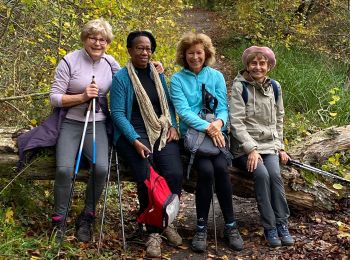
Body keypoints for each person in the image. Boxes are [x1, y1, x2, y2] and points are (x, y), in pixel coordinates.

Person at [109, 30, 183, 258]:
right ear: (129, 50)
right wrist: (135, 141)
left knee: (174, 173)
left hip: (160, 130)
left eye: (148, 48)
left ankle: (166, 220)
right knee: (147, 176)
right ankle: (153, 232)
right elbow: (118, 114)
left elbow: (167, 105)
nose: (145, 52)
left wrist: (173, 126)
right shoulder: (121, 78)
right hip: (132, 134)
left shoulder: (157, 73)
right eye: (140, 48)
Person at [170, 32, 243, 253]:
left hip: (217, 135)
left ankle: (231, 225)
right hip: (193, 138)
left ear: (206, 53)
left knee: (221, 168)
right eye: (190, 53)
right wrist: (208, 128)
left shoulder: (216, 76)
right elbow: (182, 111)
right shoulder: (177, 79)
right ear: (184, 55)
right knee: (206, 171)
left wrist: (218, 124)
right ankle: (201, 226)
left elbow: (223, 107)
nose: (195, 57)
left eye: (199, 52)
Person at [49, 18, 121, 242]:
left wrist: (153, 68)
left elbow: (129, 82)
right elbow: (54, 98)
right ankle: (59, 220)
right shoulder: (69, 61)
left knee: (101, 169)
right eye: (93, 38)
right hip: (71, 122)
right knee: (64, 170)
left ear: (107, 43)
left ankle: (87, 216)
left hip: (96, 122)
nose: (97, 43)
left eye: (102, 39)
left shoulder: (111, 64)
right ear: (85, 39)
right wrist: (81, 97)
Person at [229, 46, 295, 247]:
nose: (258, 67)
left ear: (268, 66)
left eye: (262, 63)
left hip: (269, 146)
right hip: (244, 148)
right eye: (253, 63)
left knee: (275, 175)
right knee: (262, 175)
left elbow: (279, 118)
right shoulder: (240, 87)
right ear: (247, 66)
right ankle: (270, 227)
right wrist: (251, 149)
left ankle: (282, 223)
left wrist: (280, 147)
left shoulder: (275, 87)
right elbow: (236, 122)